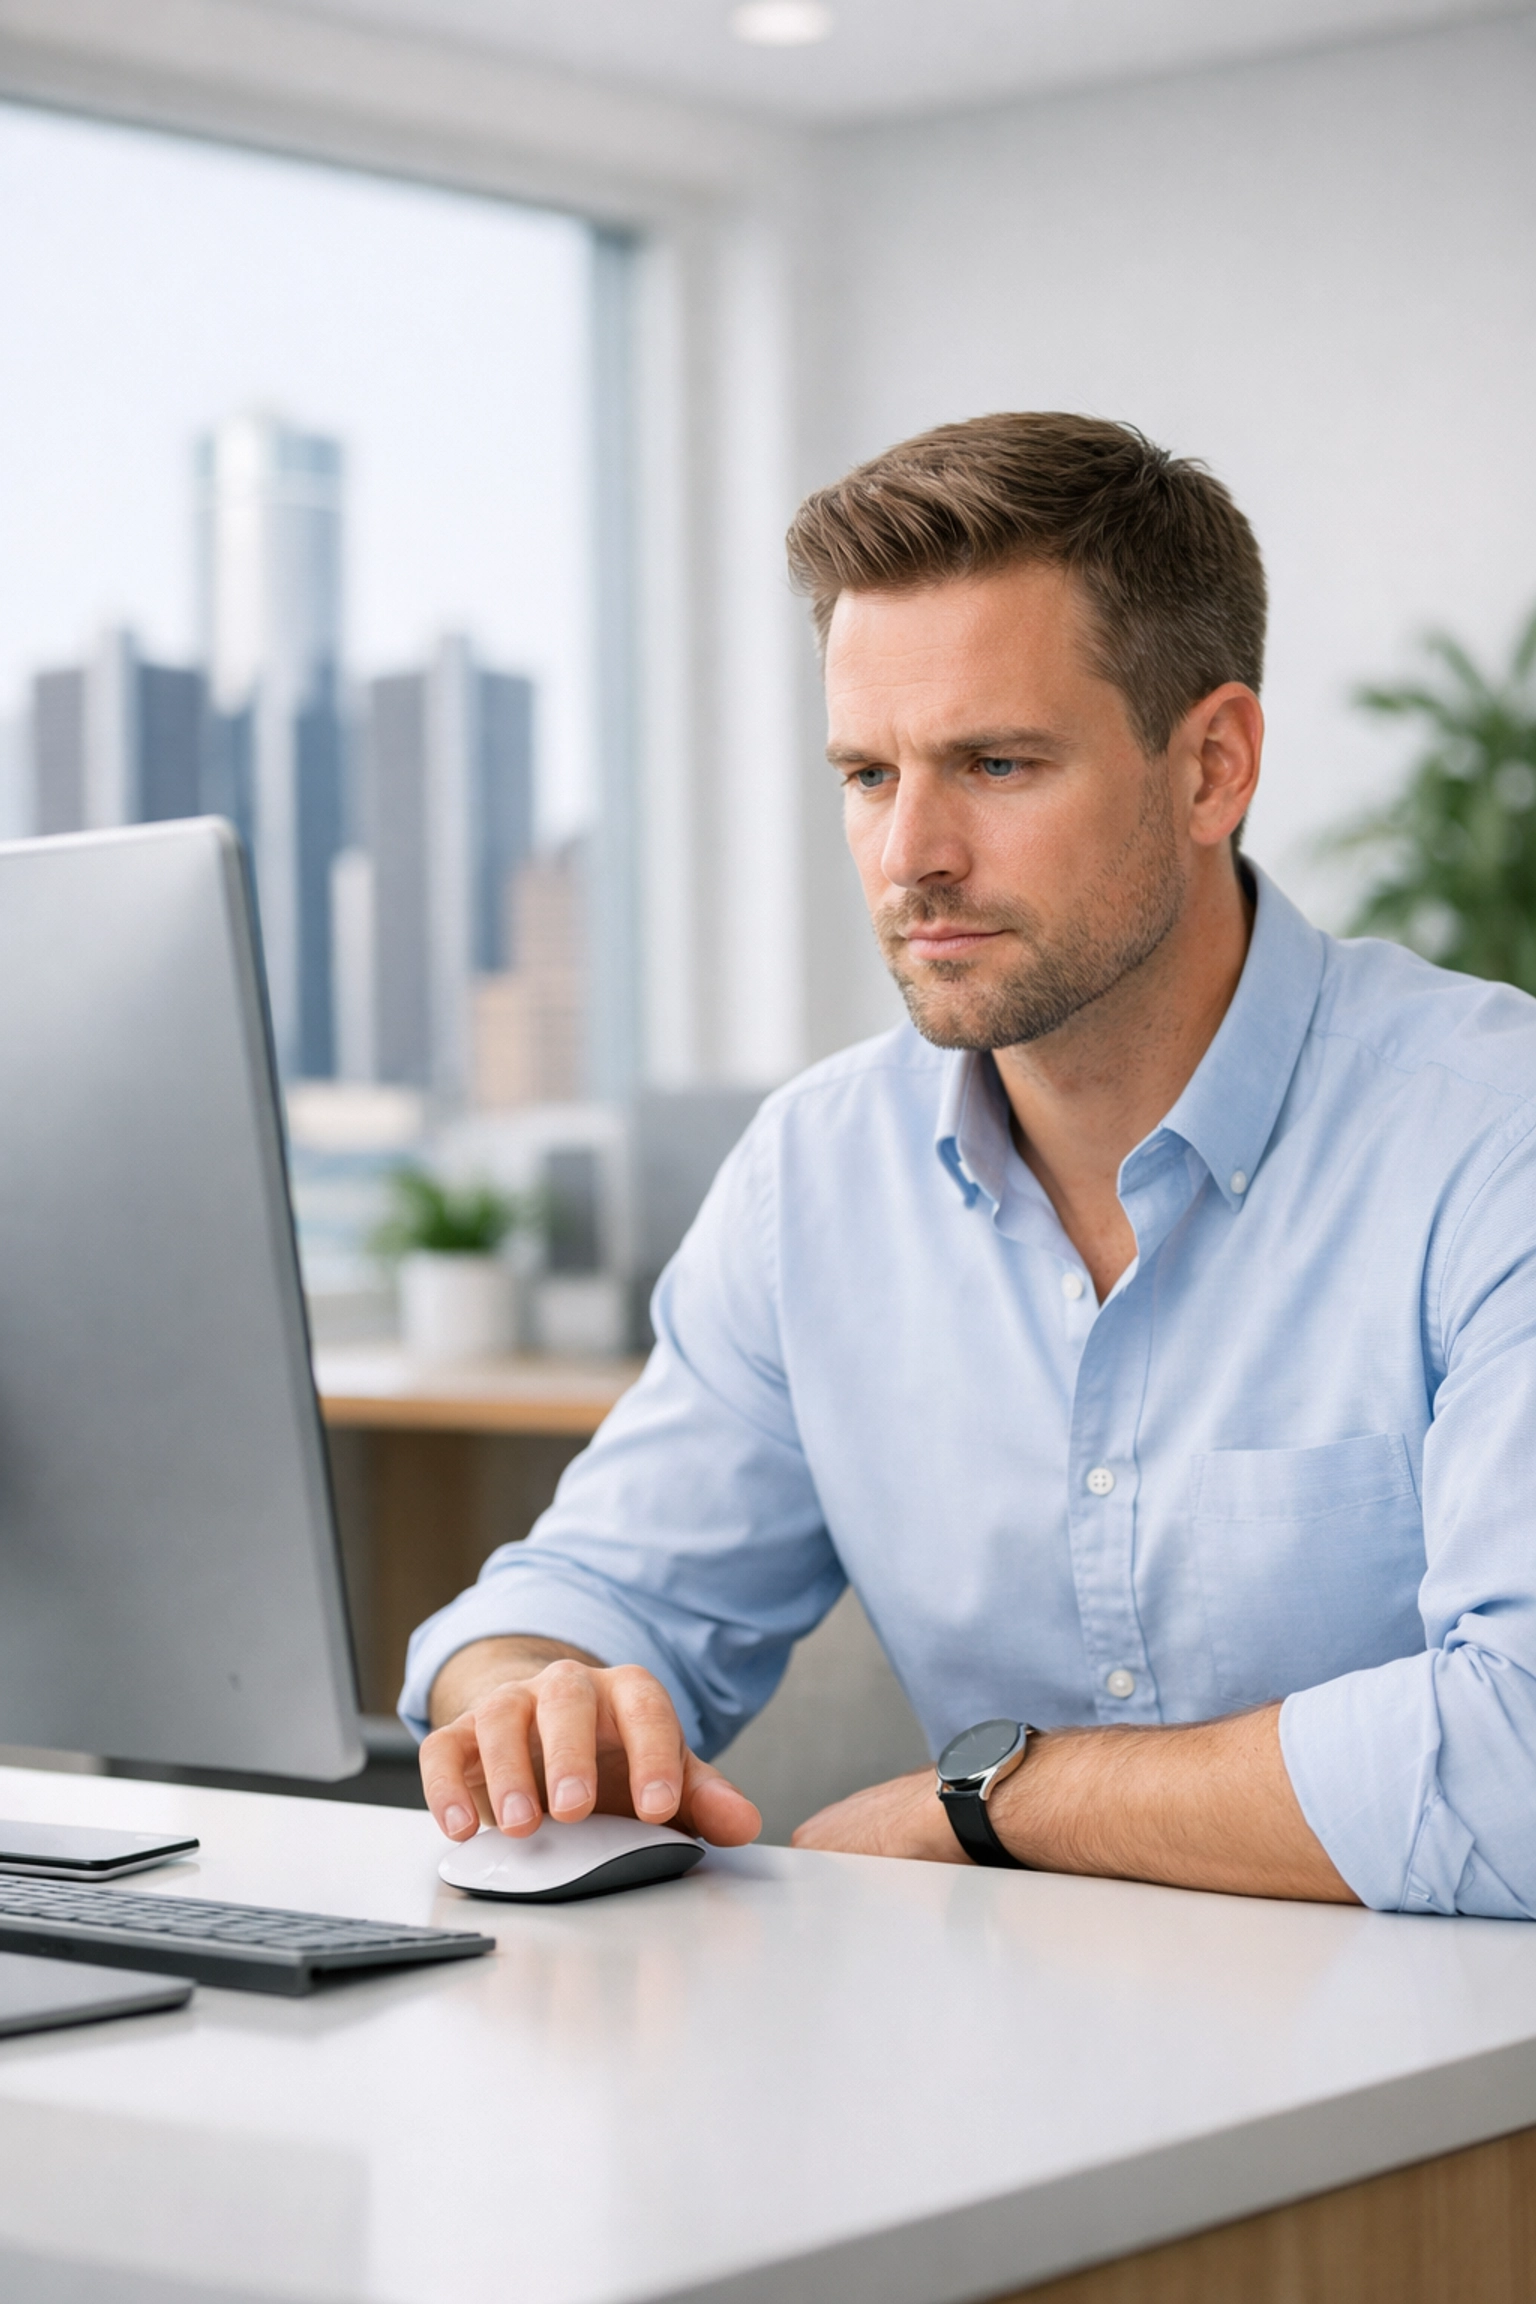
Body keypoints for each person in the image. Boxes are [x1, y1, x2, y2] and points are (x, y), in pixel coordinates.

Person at [403, 412, 1536, 1918]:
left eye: (995, 763)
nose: (908, 855)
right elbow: (595, 1596)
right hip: (986, 2080)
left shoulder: (1488, 1133)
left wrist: (990, 1806)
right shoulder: (816, 1175)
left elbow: (1518, 1760)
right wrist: (531, 1695)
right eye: (869, 774)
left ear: (1212, 768)